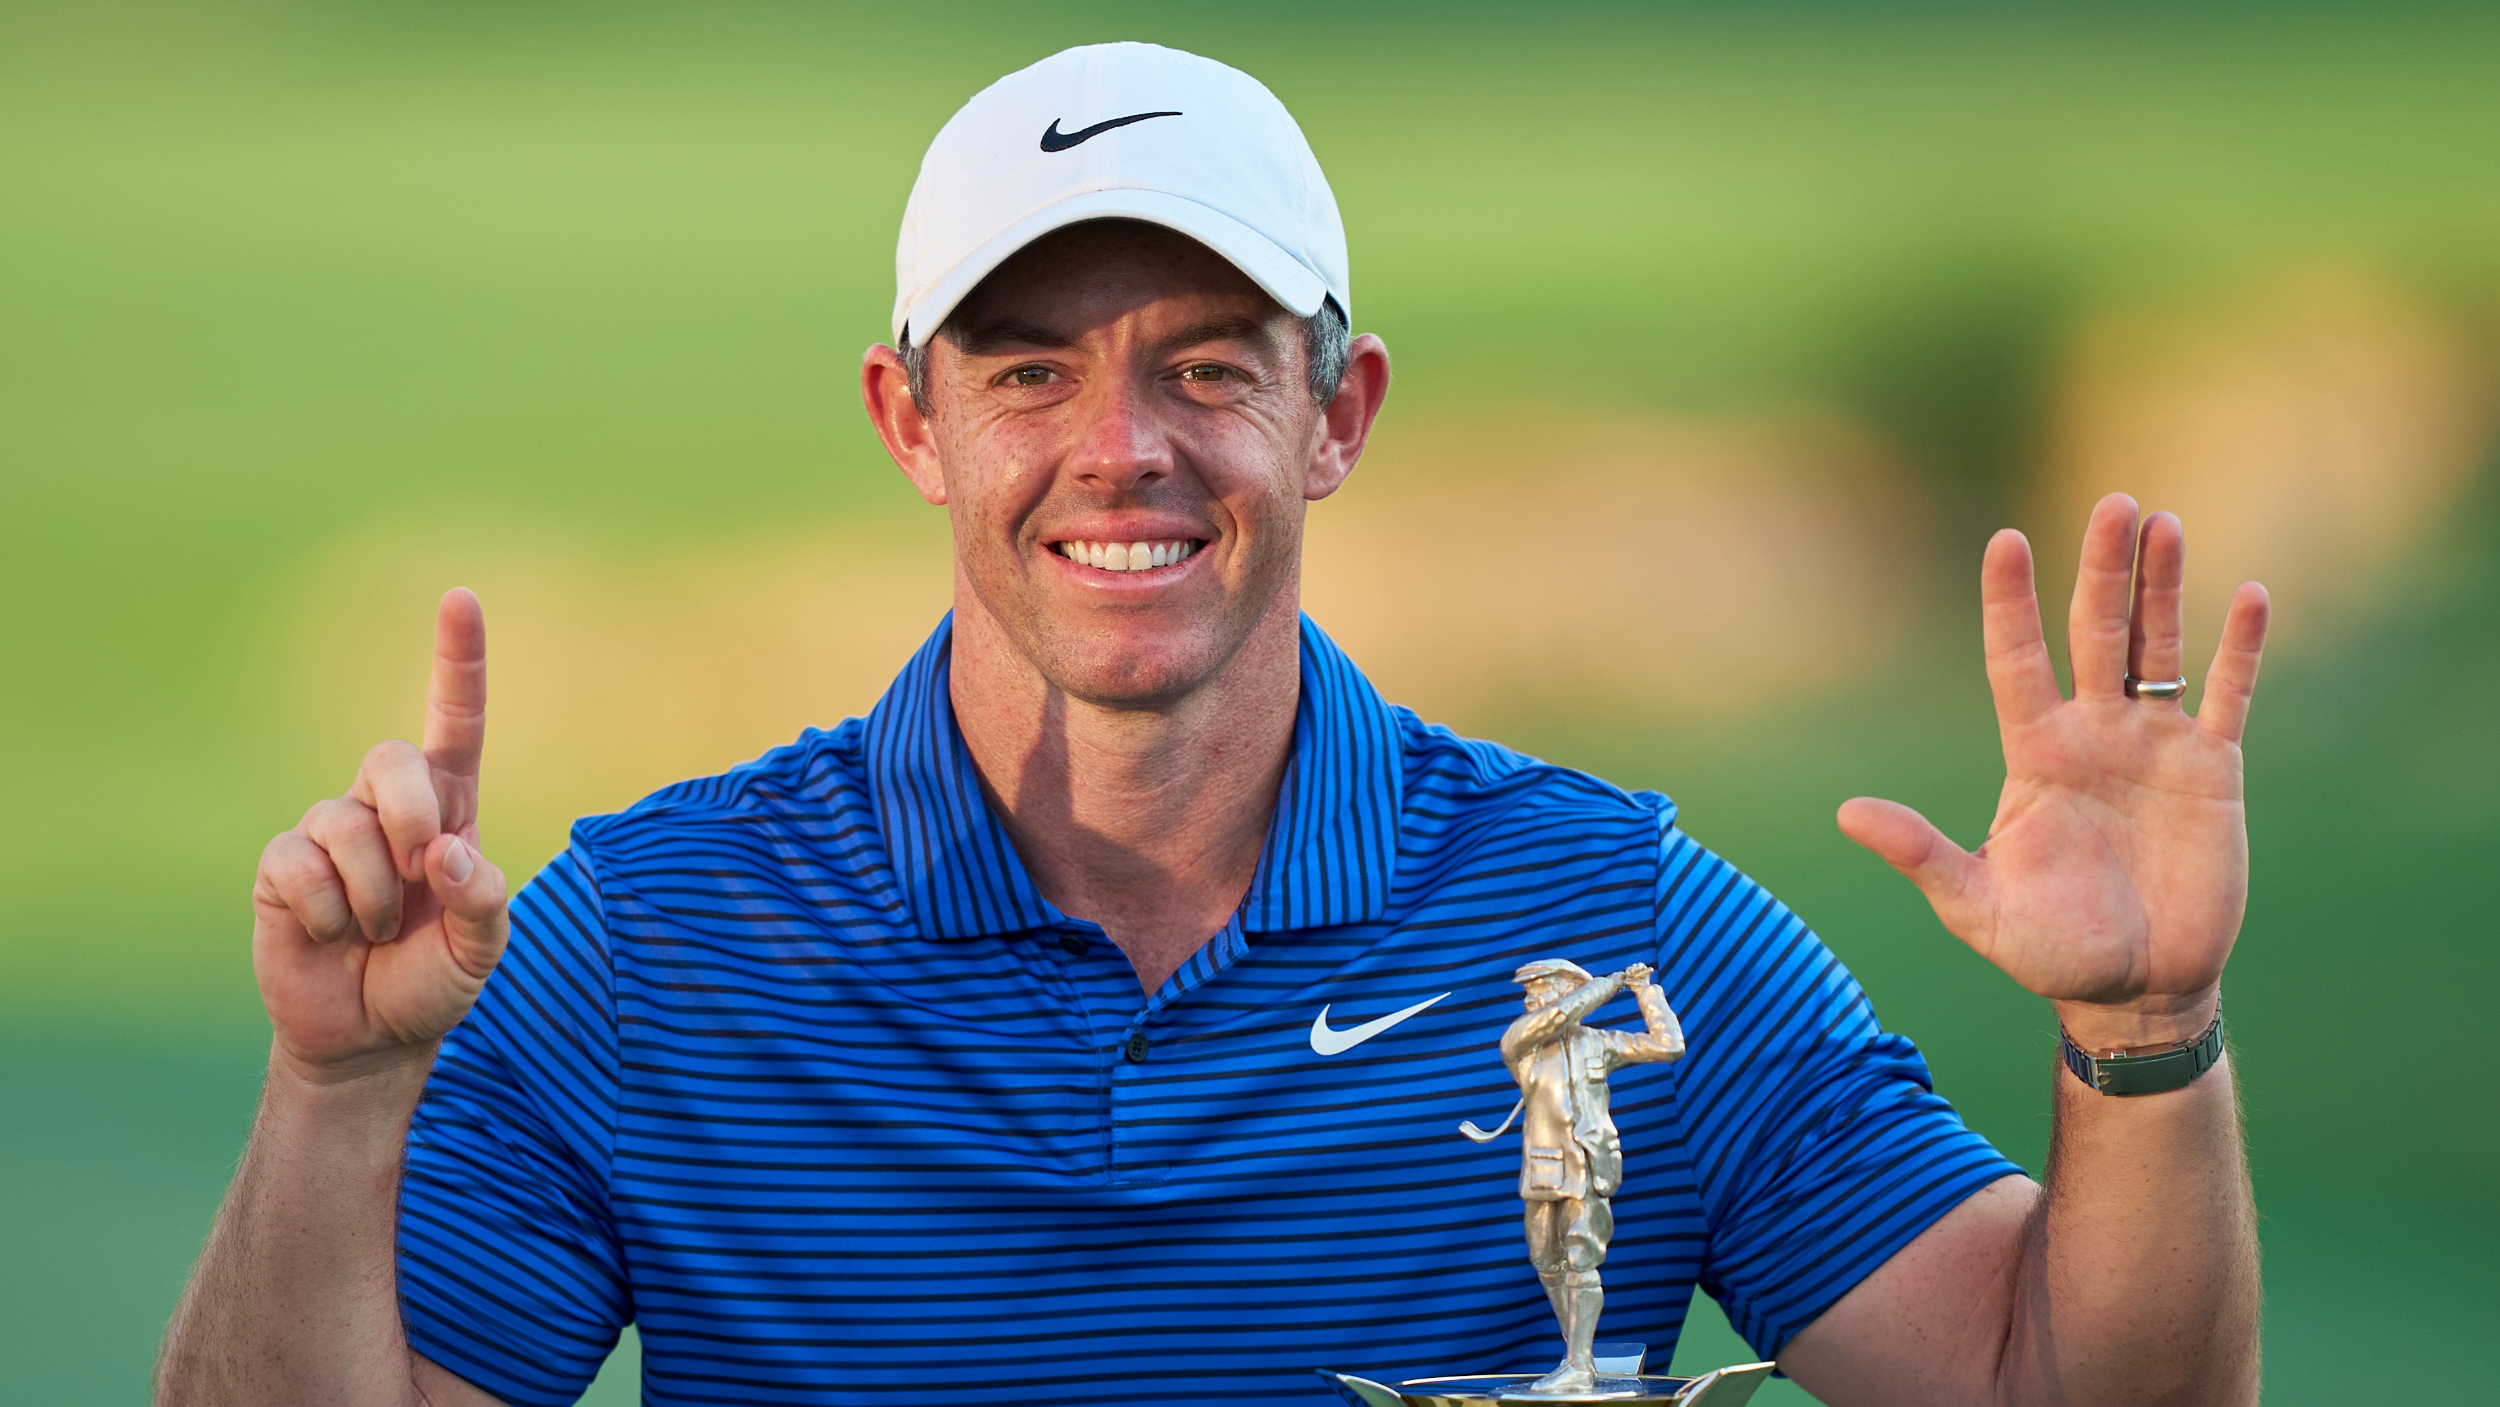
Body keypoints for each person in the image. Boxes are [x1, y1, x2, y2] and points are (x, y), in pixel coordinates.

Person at [155, 40, 2269, 1407]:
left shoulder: (1613, 920)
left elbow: (2045, 1385)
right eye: (1027, 371)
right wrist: (335, 1096)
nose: (1121, 450)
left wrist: (2142, 1029)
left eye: (1202, 363)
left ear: (1332, 412)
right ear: (908, 420)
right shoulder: (647, 942)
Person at [1466, 959, 1685, 1394]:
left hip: (1590, 1165)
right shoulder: (1521, 1043)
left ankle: (1580, 1363)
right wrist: (1609, 985)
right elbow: (1558, 1016)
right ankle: (1577, 1354)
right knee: (1547, 1260)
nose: (1529, 999)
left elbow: (1669, 1044)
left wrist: (1644, 991)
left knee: (1582, 1260)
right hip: (1546, 1168)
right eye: (1527, 992)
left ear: (1568, 988)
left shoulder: (1599, 1044)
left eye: (1540, 989)